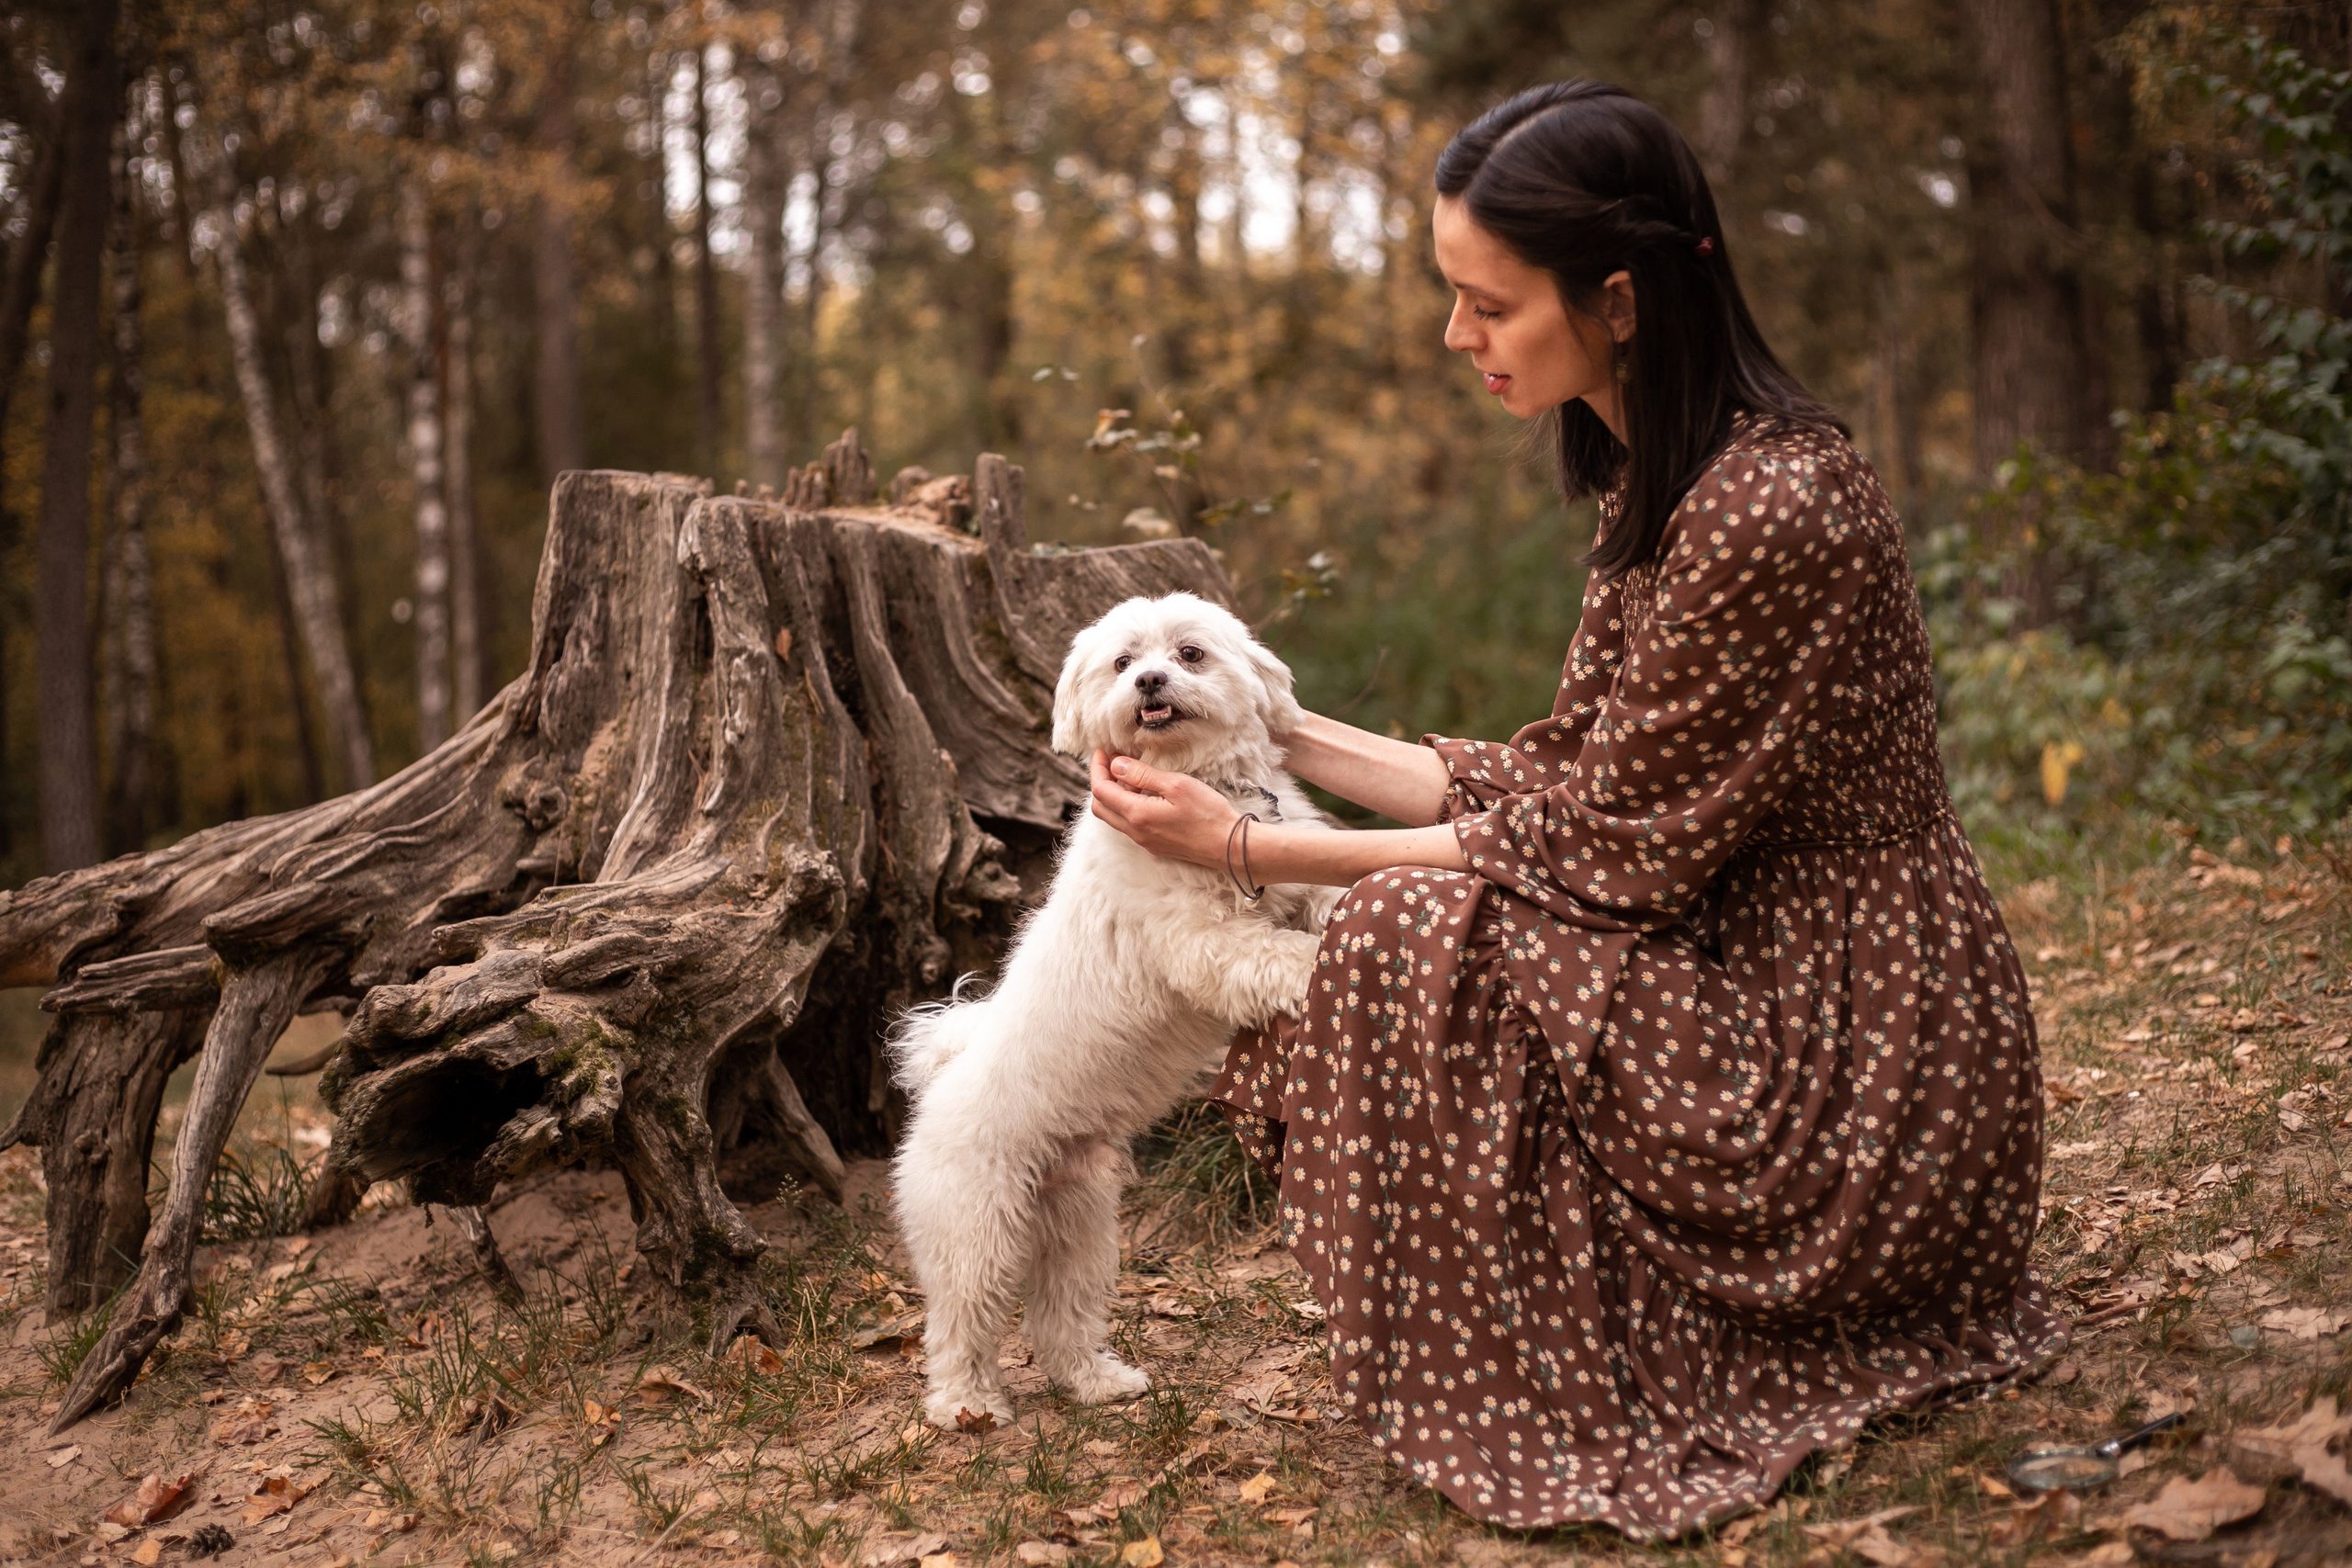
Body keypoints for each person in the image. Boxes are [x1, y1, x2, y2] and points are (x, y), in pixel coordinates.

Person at [1082, 80, 2063, 1539]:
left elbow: (1610, 852)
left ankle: (1545, 1330)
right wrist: (1275, 724)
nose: (1454, 337)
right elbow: (1569, 774)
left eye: (1487, 304)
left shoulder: (1775, 505)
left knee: (1408, 925)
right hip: (1733, 954)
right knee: (1411, 912)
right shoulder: (1663, 481)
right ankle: (1496, 1316)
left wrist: (1242, 843)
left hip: (1853, 1052)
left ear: (1616, 299)